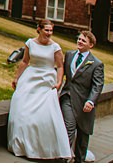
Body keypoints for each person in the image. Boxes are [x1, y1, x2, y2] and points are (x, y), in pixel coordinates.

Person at [7, 19, 72, 160]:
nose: (49, 33)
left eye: (51, 30)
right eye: (46, 30)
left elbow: (60, 66)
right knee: (21, 110)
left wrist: (59, 81)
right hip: (30, 77)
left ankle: (43, 149)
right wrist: (17, 78)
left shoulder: (55, 47)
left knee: (43, 116)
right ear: (39, 29)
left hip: (47, 79)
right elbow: (25, 61)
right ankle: (22, 145)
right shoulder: (30, 43)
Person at [60, 29, 105, 163]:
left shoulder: (96, 64)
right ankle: (62, 159)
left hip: (84, 102)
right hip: (67, 97)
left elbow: (97, 85)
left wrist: (91, 101)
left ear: (90, 45)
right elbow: (60, 71)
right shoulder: (69, 55)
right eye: (79, 39)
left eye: (83, 40)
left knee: (83, 135)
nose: (79, 41)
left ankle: (79, 160)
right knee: (69, 127)